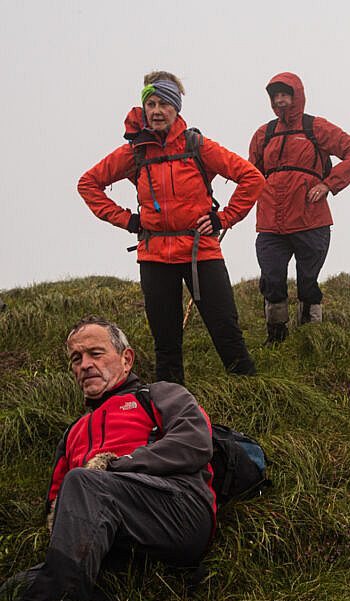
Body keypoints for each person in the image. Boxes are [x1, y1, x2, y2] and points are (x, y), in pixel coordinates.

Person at [0, 317, 215, 601]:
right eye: (77, 358)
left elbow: (195, 443)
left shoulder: (158, 394)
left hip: (179, 510)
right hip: (109, 534)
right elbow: (56, 501)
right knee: (15, 586)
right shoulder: (73, 432)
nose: (85, 364)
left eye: (95, 353)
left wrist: (114, 466)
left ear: (126, 359)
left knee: (84, 483)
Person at [78, 71, 264, 384]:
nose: (157, 110)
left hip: (200, 251)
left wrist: (224, 217)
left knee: (225, 330)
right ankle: (171, 408)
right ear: (144, 110)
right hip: (154, 256)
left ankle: (251, 394)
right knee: (166, 342)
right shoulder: (135, 152)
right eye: (150, 104)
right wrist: (128, 220)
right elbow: (88, 183)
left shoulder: (197, 146)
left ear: (176, 108)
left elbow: (252, 177)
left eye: (164, 103)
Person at [248, 72, 350, 344]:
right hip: (270, 222)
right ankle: (276, 337)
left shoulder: (316, 127)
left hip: (311, 220)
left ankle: (310, 337)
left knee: (308, 282)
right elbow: (250, 175)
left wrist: (329, 184)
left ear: (297, 95)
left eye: (285, 94)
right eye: (275, 95)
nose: (280, 100)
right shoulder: (263, 134)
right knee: (272, 278)